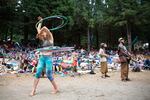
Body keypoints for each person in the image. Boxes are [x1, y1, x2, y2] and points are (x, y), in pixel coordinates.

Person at [30, 16, 58, 96]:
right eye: (42, 34)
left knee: (49, 74)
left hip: (48, 58)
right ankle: (33, 90)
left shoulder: (51, 38)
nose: (43, 34)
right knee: (38, 72)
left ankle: (56, 88)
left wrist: (41, 30)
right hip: (42, 58)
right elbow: (39, 29)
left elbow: (45, 28)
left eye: (44, 33)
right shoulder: (43, 39)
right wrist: (40, 22)